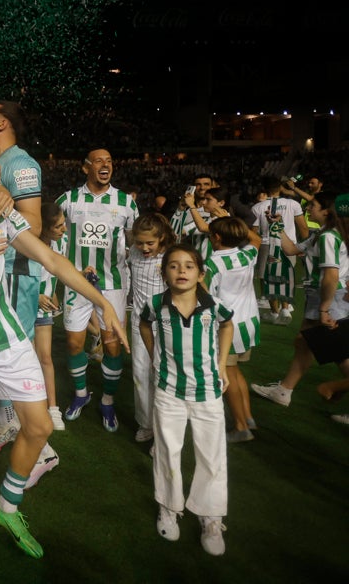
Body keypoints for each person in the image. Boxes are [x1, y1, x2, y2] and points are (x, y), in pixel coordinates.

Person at [0, 137, 126, 568]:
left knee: (38, 426)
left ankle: (6, 507)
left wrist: (101, 301)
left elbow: (52, 261)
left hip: (9, 338)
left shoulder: (2, 212)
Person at [139, 244, 233, 557]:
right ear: (163, 272)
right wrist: (154, 357)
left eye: (189, 266)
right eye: (174, 266)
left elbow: (228, 324)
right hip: (169, 392)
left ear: (201, 273)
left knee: (212, 455)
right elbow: (143, 324)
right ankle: (169, 506)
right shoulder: (155, 304)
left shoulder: (213, 305)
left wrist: (221, 365)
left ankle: (211, 516)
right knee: (167, 450)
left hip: (208, 391)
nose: (182, 271)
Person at [0, 101, 51, 470]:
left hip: (15, 274)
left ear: (2, 122)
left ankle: (41, 452)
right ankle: (8, 422)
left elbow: (34, 226)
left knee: (13, 359)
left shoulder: (21, 165)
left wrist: (1, 203)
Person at [56, 149, 139, 432]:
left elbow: (136, 241)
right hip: (76, 282)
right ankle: (81, 394)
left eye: (110, 161)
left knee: (112, 346)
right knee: (74, 344)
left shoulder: (126, 203)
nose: (106, 165)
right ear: (85, 167)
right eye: (99, 161)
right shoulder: (68, 200)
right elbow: (50, 232)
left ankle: (107, 400)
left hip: (113, 284)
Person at [251, 192, 349, 407]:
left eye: (312, 205)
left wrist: (324, 309)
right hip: (325, 297)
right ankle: (284, 390)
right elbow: (292, 249)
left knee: (336, 350)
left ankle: (285, 390)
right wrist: (276, 226)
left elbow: (331, 276)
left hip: (328, 298)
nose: (307, 209)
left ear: (326, 211)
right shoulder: (324, 234)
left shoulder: (328, 237)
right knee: (306, 343)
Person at [205, 216, 263, 442]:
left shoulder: (212, 263)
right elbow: (256, 238)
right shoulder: (247, 254)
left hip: (228, 327)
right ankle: (248, 417)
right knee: (236, 371)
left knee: (227, 373)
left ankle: (240, 427)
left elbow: (207, 298)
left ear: (216, 237)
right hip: (249, 322)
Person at [126, 213, 175, 443]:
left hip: (166, 327)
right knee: (140, 374)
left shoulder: (171, 258)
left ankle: (164, 428)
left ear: (162, 238)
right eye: (139, 242)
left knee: (163, 376)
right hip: (138, 324)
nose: (144, 247)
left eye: (150, 243)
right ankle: (146, 424)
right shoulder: (133, 253)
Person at [250, 176, 308, 325]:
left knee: (266, 277)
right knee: (286, 275)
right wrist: (305, 247)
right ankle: (285, 309)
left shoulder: (257, 207)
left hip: (266, 243)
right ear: (281, 188)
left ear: (264, 189)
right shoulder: (293, 204)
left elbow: (253, 231)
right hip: (288, 243)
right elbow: (302, 227)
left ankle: (274, 312)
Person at [34, 201, 68, 430]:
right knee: (24, 361)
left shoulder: (61, 243)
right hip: (22, 309)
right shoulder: (27, 244)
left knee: (45, 357)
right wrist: (36, 296)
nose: (64, 230)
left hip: (44, 311)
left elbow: (57, 269)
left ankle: (53, 409)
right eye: (58, 227)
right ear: (44, 229)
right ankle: (21, 411)